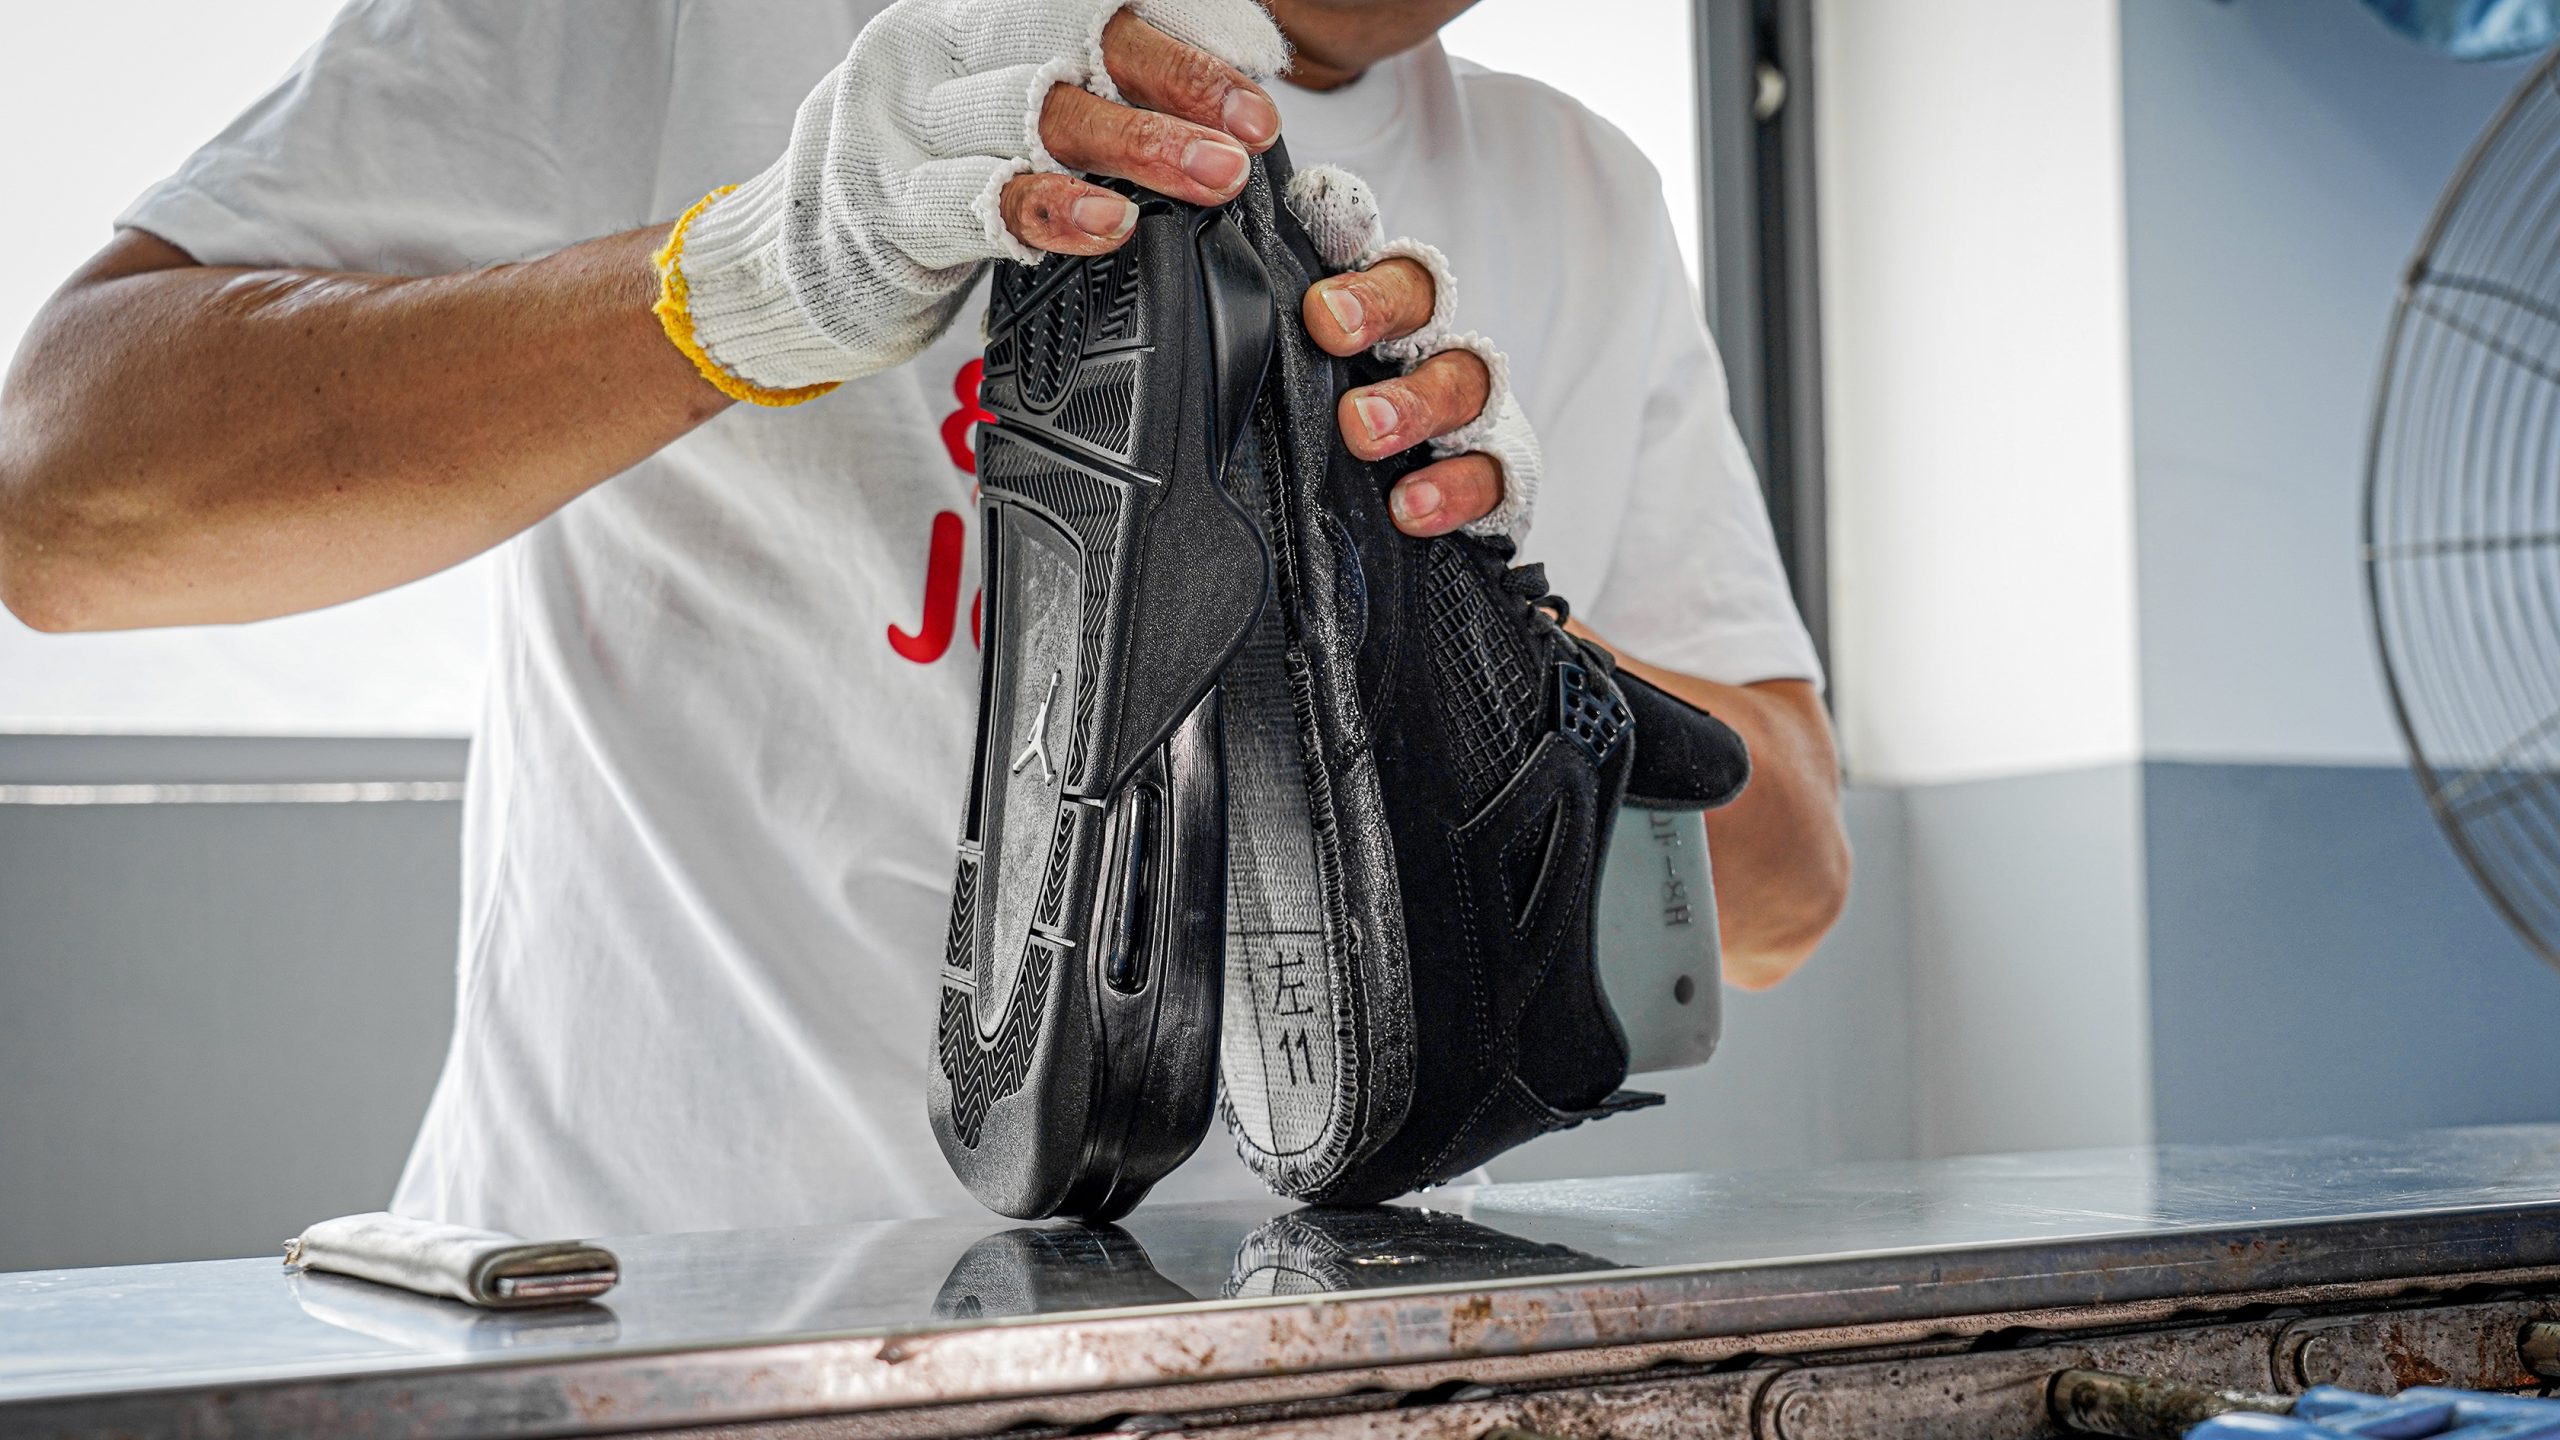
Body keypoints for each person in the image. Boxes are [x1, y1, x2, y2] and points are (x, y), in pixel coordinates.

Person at [0, 0, 1851, 1237]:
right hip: (644, 1329)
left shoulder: (1580, 187)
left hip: (1294, 1364)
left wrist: (1452, 624)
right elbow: (62, 511)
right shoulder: (673, 19)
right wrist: (741, 282)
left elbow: (1783, 891)